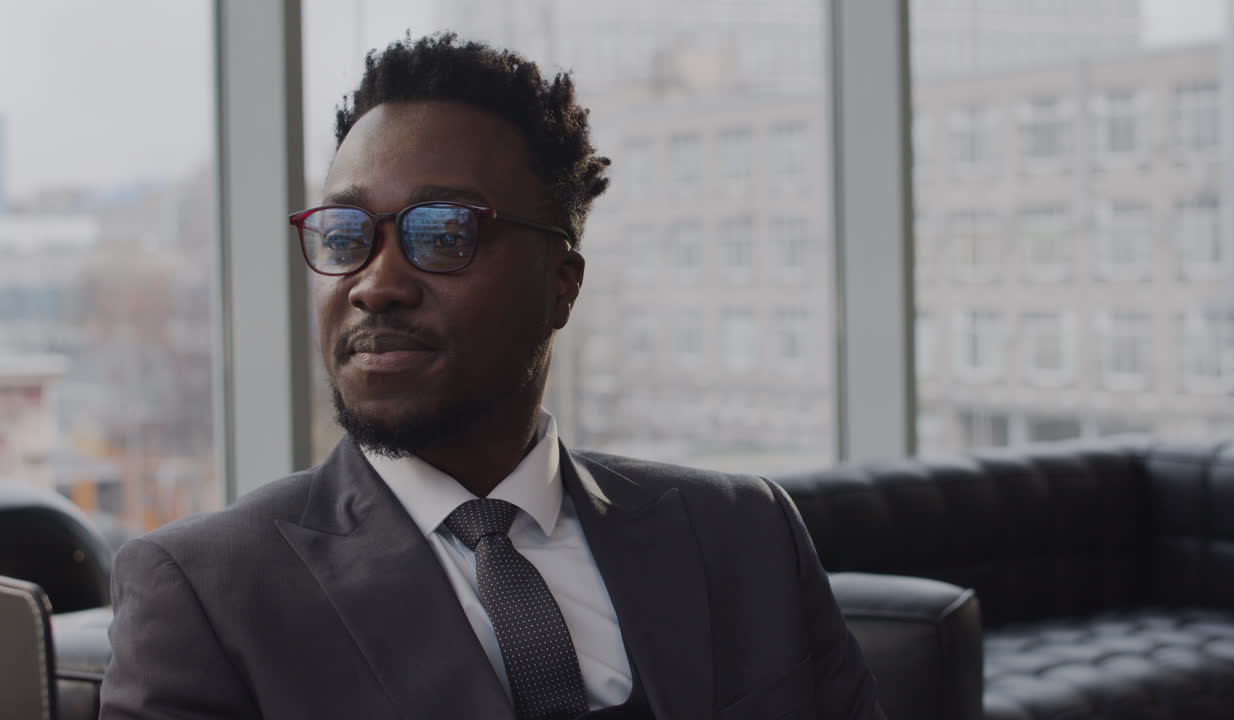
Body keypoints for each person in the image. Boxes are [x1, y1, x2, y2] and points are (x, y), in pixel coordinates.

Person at [100, 33, 884, 720]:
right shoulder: (207, 593)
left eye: (443, 233)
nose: (376, 283)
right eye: (346, 236)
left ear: (561, 285)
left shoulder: (745, 534)